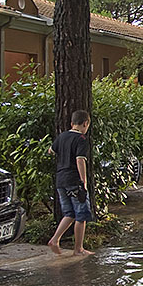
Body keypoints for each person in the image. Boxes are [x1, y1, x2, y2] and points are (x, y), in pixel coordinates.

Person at [47, 109, 94, 256]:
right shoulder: (81, 139)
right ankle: (78, 249)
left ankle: (55, 239)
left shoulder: (62, 136)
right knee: (81, 215)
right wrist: (83, 181)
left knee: (69, 213)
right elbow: (80, 160)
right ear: (85, 123)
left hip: (61, 180)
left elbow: (51, 151)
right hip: (74, 180)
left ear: (72, 123)